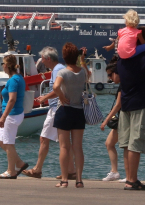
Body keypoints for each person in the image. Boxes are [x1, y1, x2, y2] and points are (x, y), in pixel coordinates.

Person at [116, 25, 145, 191]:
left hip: (126, 103)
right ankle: (132, 180)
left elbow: (115, 78)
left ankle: (129, 178)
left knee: (126, 143)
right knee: (135, 143)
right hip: (141, 102)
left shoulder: (123, 58)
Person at [23, 47, 77, 180]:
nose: (41, 62)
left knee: (44, 138)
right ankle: (70, 170)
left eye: (42, 59)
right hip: (58, 107)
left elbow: (59, 88)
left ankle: (37, 169)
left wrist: (45, 97)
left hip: (55, 108)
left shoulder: (58, 69)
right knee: (63, 142)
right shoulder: (59, 68)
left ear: (48, 59)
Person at [51, 42, 87, 188]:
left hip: (65, 110)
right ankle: (79, 180)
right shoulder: (83, 71)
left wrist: (60, 96)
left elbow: (55, 86)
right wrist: (82, 59)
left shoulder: (63, 72)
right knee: (78, 147)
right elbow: (87, 74)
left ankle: (64, 180)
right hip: (79, 111)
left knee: (64, 147)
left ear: (64, 57)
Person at [0, 54, 29, 179]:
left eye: (3, 64)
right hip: (13, 113)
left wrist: (3, 117)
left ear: (7, 66)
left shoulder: (14, 80)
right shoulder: (18, 78)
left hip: (11, 114)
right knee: (0, 140)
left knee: (9, 143)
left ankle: (11, 171)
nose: (3, 67)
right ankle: (20, 163)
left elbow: (12, 99)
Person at [99, 57, 125, 182]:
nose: (109, 78)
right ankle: (115, 171)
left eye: (110, 75)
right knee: (109, 144)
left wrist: (105, 121)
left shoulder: (123, 85)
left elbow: (118, 105)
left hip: (124, 119)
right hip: (122, 120)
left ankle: (127, 174)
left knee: (123, 146)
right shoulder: (123, 84)